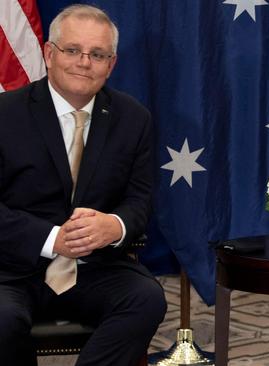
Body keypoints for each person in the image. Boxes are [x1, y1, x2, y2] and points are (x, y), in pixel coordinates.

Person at [0, 4, 166, 365]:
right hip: (11, 267)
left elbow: (140, 199)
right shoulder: (5, 114)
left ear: (112, 64)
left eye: (97, 54)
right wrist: (50, 239)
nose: (84, 62)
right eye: (72, 50)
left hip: (95, 266)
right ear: (48, 53)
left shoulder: (132, 118)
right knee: (2, 320)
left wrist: (115, 225)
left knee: (146, 298)